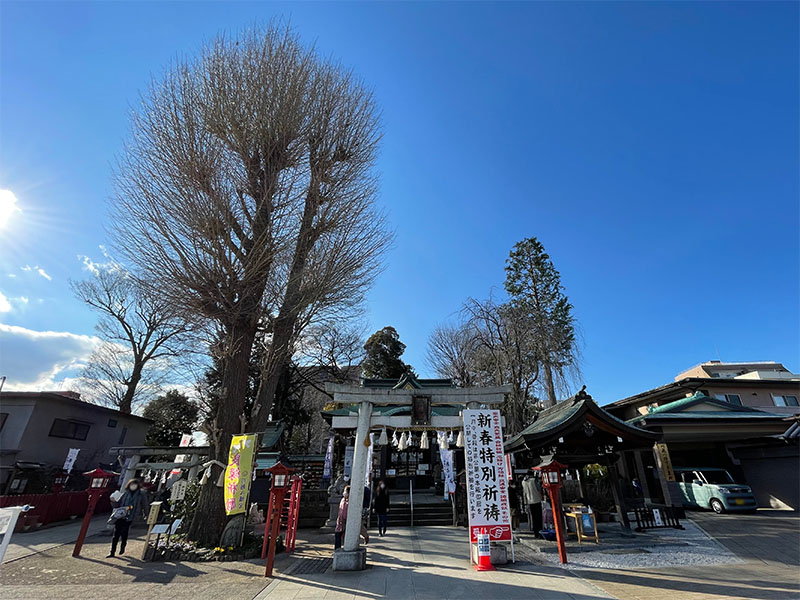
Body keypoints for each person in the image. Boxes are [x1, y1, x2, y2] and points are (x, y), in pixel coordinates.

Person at [107, 478, 143, 558]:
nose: (133, 486)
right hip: (120, 515)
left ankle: (123, 546)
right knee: (116, 534)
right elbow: (118, 504)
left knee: (124, 532)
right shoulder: (124, 494)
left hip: (130, 516)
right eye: (132, 485)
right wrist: (113, 501)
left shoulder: (140, 495)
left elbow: (144, 505)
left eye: (135, 485)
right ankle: (112, 552)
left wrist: (146, 515)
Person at [335, 485, 369, 550]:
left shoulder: (352, 503)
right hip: (340, 523)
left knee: (349, 538)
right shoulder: (342, 500)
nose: (344, 493)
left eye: (346, 492)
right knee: (338, 537)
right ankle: (337, 550)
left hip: (349, 523)